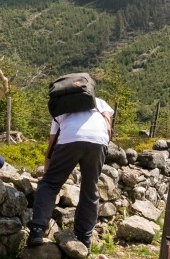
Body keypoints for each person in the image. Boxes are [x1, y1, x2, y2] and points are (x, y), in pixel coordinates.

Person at [26, 88, 113, 250]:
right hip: (99, 140)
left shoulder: (61, 107)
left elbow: (52, 145)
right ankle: (84, 237)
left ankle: (37, 230)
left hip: (70, 140)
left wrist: (47, 174)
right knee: (90, 189)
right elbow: (108, 123)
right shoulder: (98, 102)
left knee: (50, 184)